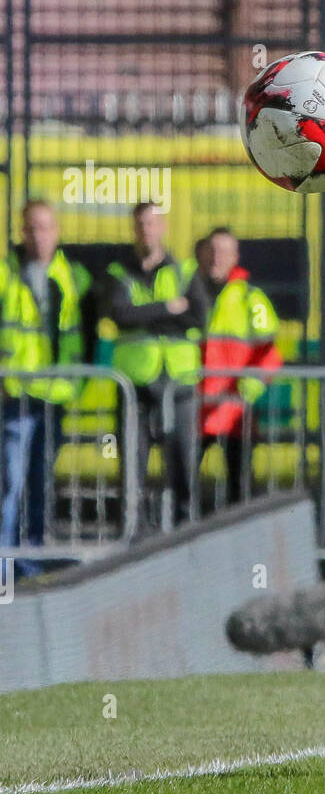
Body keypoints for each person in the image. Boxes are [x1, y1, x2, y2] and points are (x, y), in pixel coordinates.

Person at [0, 202, 92, 575]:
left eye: (45, 228)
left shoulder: (73, 275)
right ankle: (5, 566)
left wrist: (78, 383)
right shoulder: (6, 274)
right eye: (32, 228)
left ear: (57, 232)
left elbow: (86, 330)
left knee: (40, 483)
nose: (38, 235)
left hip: (54, 397)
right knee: (11, 483)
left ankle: (30, 561)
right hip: (15, 395)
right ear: (22, 232)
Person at [105, 203, 207, 526]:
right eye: (140, 225)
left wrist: (145, 315)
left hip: (178, 383)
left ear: (163, 227)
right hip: (136, 385)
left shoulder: (185, 271)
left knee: (183, 468)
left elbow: (198, 317)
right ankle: (133, 538)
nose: (145, 230)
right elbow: (121, 316)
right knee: (132, 471)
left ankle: (184, 535)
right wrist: (167, 307)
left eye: (151, 223)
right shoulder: (119, 273)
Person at [195, 228, 282, 507]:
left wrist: (249, 391)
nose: (216, 258)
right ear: (202, 253)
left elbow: (270, 354)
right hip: (196, 409)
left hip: (234, 411)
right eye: (212, 251)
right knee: (181, 486)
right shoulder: (189, 292)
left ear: (235, 257)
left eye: (223, 252)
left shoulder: (250, 299)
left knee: (239, 489)